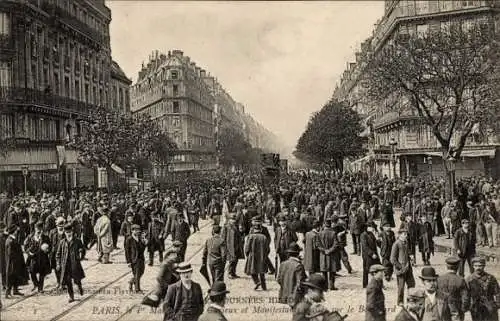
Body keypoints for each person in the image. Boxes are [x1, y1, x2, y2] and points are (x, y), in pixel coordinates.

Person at [56, 223, 85, 303]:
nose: (68, 234)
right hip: (66, 264)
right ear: (65, 233)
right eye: (66, 232)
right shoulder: (62, 242)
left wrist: (81, 255)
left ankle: (79, 287)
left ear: (72, 232)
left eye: (69, 232)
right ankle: (71, 296)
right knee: (68, 281)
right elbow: (58, 254)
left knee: (77, 278)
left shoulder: (77, 241)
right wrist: (58, 264)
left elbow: (83, 249)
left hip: (75, 263)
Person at [466, 256, 500, 321]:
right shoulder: (469, 279)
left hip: (490, 307)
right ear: (473, 266)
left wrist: (497, 304)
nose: (478, 268)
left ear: (484, 266)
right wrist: (469, 306)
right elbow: (466, 295)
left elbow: (497, 292)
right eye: (476, 265)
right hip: (476, 308)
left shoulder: (491, 278)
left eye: (480, 265)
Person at [437, 256, 469, 321]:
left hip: (442, 306)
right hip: (457, 307)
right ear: (457, 267)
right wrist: (463, 309)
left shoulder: (439, 279)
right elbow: (465, 297)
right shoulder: (460, 279)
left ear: (447, 266)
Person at [390, 227, 416, 307]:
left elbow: (407, 251)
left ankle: (410, 299)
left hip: (408, 268)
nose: (406, 236)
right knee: (401, 287)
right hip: (401, 270)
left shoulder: (406, 242)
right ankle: (400, 301)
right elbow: (392, 259)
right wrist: (400, 267)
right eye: (404, 234)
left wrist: (410, 255)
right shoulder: (396, 244)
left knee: (411, 284)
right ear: (400, 235)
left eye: (406, 234)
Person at [23, 221, 51, 293]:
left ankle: (40, 288)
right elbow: (25, 246)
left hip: (43, 258)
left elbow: (50, 247)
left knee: (42, 273)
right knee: (32, 272)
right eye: (37, 229)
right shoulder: (30, 237)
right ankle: (36, 284)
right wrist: (29, 252)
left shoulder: (45, 237)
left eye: (40, 230)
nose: (38, 231)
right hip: (33, 258)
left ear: (42, 229)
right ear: (35, 229)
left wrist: (47, 250)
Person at [277, 242, 307, 307]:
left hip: (285, 294)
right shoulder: (298, 265)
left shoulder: (283, 264)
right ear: (298, 253)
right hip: (295, 295)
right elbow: (301, 282)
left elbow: (279, 280)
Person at [244, 217, 269, 290]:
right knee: (262, 272)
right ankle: (264, 287)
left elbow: (247, 247)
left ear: (254, 229)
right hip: (262, 256)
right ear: (260, 230)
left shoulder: (251, 236)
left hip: (252, 256)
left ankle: (257, 282)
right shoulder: (264, 237)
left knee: (252, 271)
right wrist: (265, 254)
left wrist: (247, 254)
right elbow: (267, 248)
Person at [5, 225, 28, 298]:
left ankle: (15, 290)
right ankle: (7, 292)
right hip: (12, 263)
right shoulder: (10, 241)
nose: (17, 232)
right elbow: (10, 253)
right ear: (13, 232)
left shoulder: (12, 239)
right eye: (16, 231)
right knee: (11, 277)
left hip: (15, 262)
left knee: (15, 276)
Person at [125, 224, 147, 293]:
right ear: (132, 231)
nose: (138, 232)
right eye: (136, 230)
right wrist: (128, 261)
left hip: (141, 258)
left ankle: (131, 281)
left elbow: (142, 249)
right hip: (134, 259)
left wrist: (144, 243)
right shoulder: (129, 239)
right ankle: (137, 289)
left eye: (139, 230)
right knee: (137, 274)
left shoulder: (140, 238)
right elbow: (127, 251)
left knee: (141, 272)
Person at [319, 217, 339, 290]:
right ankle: (331, 286)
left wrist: (324, 250)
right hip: (332, 255)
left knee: (324, 271)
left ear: (324, 224)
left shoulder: (320, 233)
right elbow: (336, 244)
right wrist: (330, 250)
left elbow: (318, 244)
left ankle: (325, 286)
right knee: (332, 271)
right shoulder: (333, 233)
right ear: (330, 225)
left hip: (323, 255)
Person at [221, 213, 243, 279]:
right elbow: (222, 238)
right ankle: (230, 273)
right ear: (229, 220)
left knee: (235, 260)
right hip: (229, 246)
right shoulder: (226, 227)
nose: (233, 221)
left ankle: (233, 272)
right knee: (231, 260)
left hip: (236, 246)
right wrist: (224, 247)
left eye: (234, 219)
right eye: (232, 219)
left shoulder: (235, 226)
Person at [361, 221, 380, 288]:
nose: (372, 228)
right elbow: (365, 246)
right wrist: (372, 254)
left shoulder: (372, 234)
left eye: (373, 227)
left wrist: (378, 239)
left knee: (378, 269)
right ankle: (365, 284)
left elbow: (377, 243)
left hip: (374, 254)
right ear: (367, 227)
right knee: (366, 270)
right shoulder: (363, 235)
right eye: (371, 227)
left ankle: (379, 284)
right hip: (367, 256)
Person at [0, 222, 8, 290]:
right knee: (4, 270)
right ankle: (4, 284)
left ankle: (5, 284)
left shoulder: (4, 236)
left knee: (4, 270)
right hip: (3, 255)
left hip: (3, 255)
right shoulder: (3, 236)